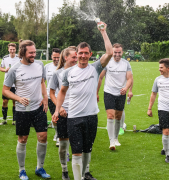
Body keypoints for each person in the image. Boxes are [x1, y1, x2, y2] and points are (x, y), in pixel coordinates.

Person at [52, 21, 113, 180]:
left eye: (86, 53)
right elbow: (62, 92)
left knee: (87, 150)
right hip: (74, 118)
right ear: (76, 54)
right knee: (76, 151)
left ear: (90, 54)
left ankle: (85, 173)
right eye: (80, 53)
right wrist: (57, 109)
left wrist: (103, 32)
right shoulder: (68, 73)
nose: (83, 56)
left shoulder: (95, 68)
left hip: (91, 116)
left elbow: (110, 53)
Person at [2, 40, 50, 180]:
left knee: (43, 136)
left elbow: (42, 82)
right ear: (23, 52)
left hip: (38, 107)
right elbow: (5, 91)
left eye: (35, 52)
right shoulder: (14, 69)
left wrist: (45, 97)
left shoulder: (40, 65)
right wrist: (18, 98)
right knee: (23, 139)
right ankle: (22, 170)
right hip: (23, 109)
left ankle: (39, 168)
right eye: (31, 53)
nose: (34, 55)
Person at [96, 43, 133, 150]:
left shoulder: (126, 64)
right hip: (109, 92)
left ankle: (116, 139)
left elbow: (130, 78)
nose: (117, 54)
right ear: (112, 52)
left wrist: (126, 88)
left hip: (121, 93)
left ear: (122, 52)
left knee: (118, 117)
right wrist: (96, 92)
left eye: (119, 52)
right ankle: (111, 141)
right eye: (115, 52)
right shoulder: (107, 63)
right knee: (110, 116)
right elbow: (100, 78)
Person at [49, 47, 77, 180]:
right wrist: (59, 108)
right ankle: (64, 170)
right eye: (74, 57)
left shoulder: (80, 72)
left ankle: (81, 171)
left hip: (78, 112)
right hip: (64, 113)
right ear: (66, 58)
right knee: (63, 144)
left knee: (77, 143)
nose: (76, 60)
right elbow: (52, 93)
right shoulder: (57, 73)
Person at [0, 43, 21, 125]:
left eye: (13, 49)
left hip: (16, 83)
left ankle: (14, 120)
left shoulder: (19, 58)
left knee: (15, 101)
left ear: (16, 50)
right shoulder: (5, 58)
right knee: (5, 101)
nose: (12, 51)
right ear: (8, 49)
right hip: (7, 84)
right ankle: (4, 120)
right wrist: (5, 70)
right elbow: (1, 68)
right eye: (10, 49)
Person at [44, 48, 61, 146]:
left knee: (60, 117)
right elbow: (43, 81)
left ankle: (59, 136)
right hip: (50, 96)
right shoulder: (47, 67)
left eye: (58, 57)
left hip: (61, 97)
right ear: (51, 57)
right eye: (54, 57)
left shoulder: (63, 67)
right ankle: (57, 133)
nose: (56, 59)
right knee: (54, 117)